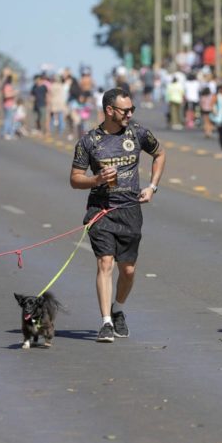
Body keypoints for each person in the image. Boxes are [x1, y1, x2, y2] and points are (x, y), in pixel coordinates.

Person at [70, 88, 166, 343]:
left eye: (132, 109)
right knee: (105, 263)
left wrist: (152, 186)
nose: (130, 114)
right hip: (100, 211)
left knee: (129, 270)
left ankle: (118, 308)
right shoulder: (89, 141)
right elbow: (75, 179)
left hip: (130, 210)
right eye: (126, 110)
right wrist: (96, 179)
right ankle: (106, 322)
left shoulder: (138, 133)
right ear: (109, 110)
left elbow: (159, 154)